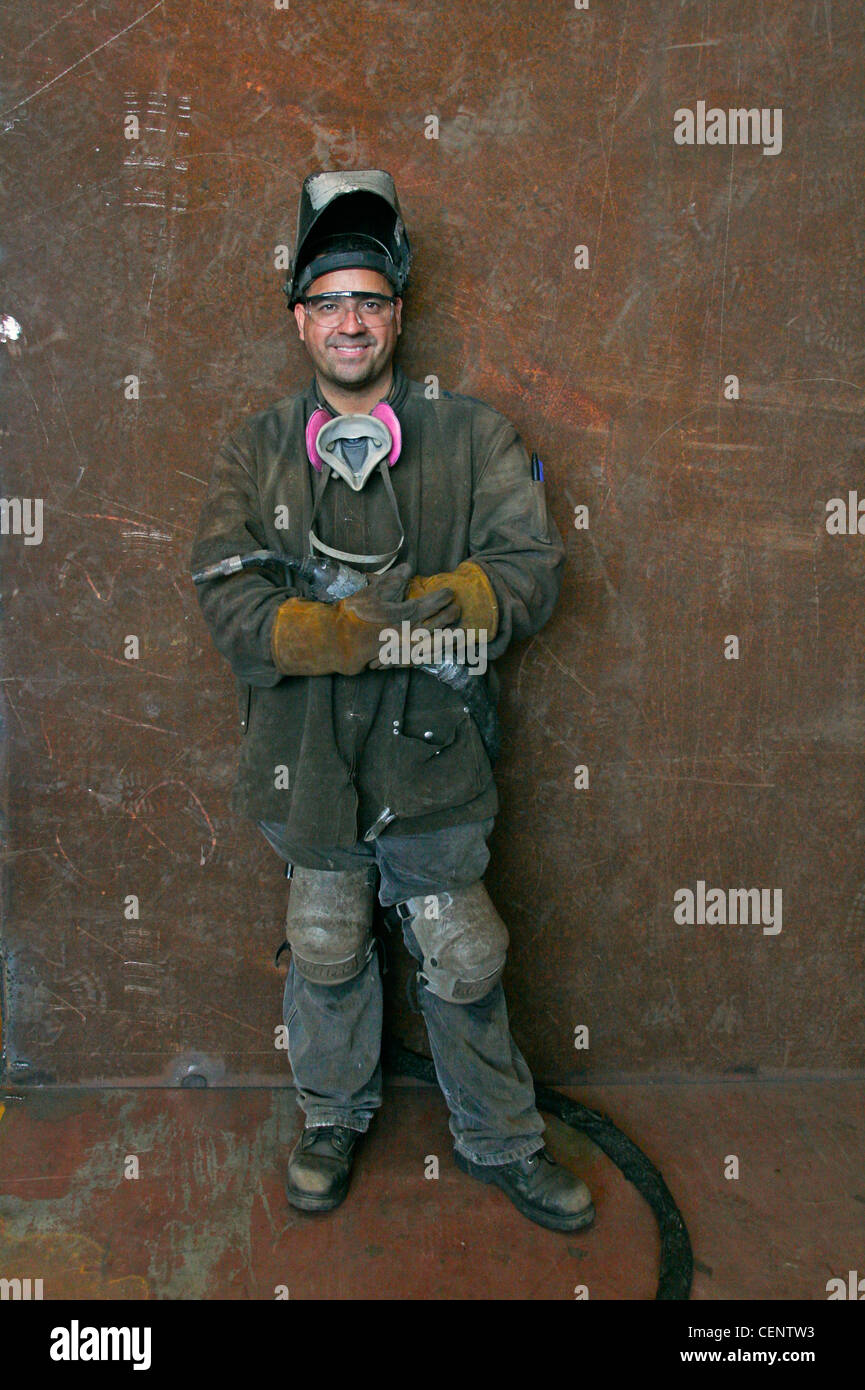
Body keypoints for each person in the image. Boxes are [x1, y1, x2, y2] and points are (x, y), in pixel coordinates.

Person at [190, 169, 594, 1233]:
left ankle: (500, 1138)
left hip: (437, 756)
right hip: (306, 759)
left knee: (460, 949)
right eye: (328, 302)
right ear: (298, 320)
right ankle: (331, 1118)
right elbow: (228, 596)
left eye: (369, 298)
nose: (350, 321)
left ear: (399, 313)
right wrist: (328, 631)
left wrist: (430, 609)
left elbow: (529, 568)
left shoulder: (473, 436)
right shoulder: (255, 449)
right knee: (326, 939)